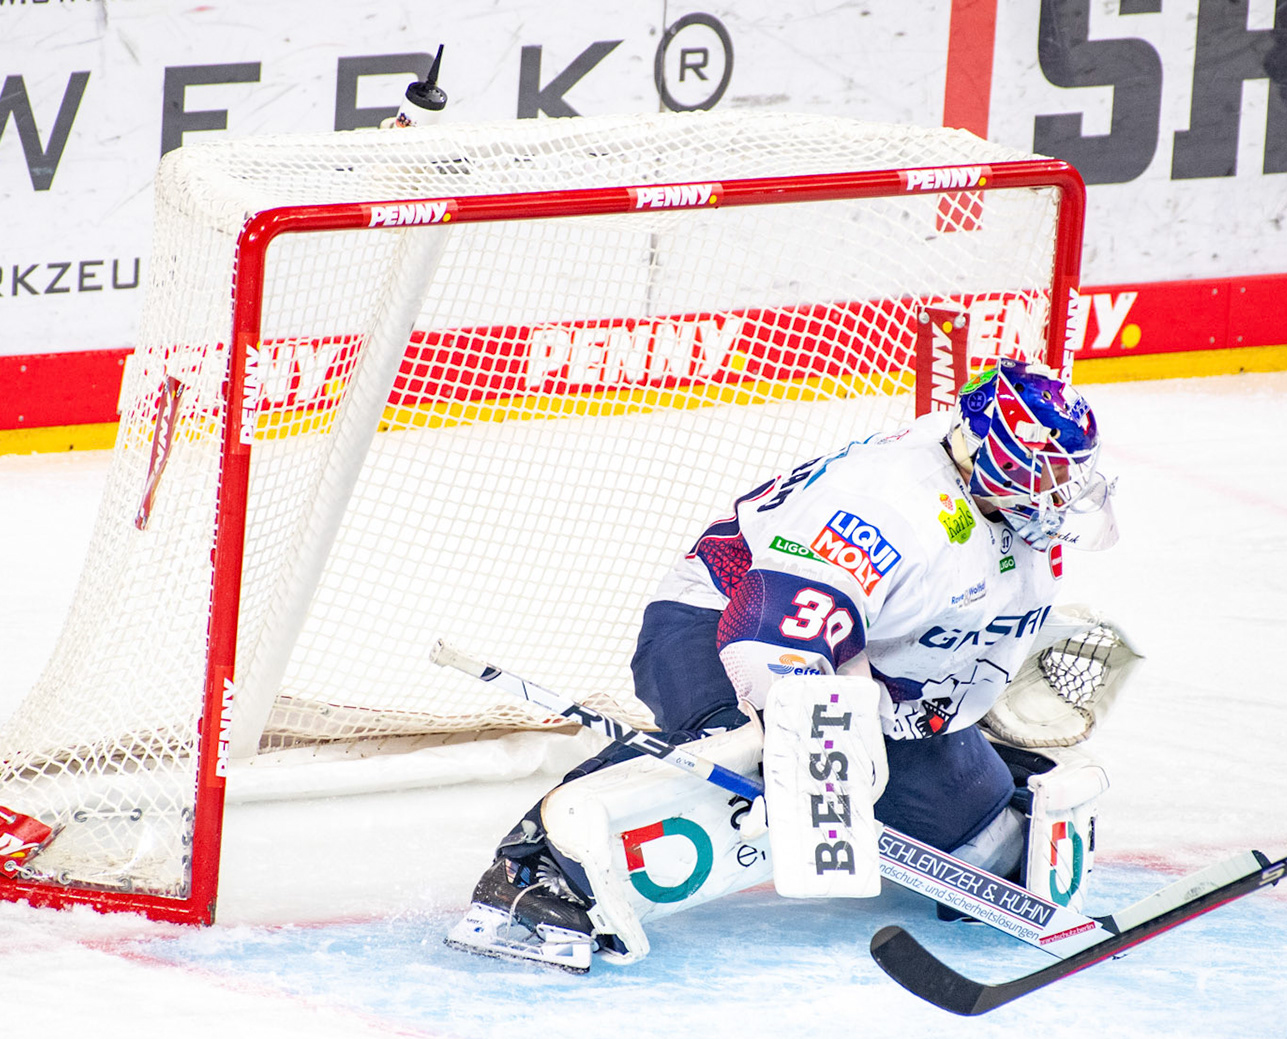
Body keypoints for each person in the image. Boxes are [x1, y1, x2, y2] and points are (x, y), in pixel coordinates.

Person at [447, 358, 1126, 971]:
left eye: (1072, 471)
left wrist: (970, 692)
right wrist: (818, 744)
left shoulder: (1007, 502)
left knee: (989, 851)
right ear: (987, 454)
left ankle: (967, 774)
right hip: (718, 623)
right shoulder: (891, 506)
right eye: (1048, 471)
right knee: (737, 760)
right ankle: (532, 872)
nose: (1063, 490)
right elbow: (771, 631)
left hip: (858, 661)